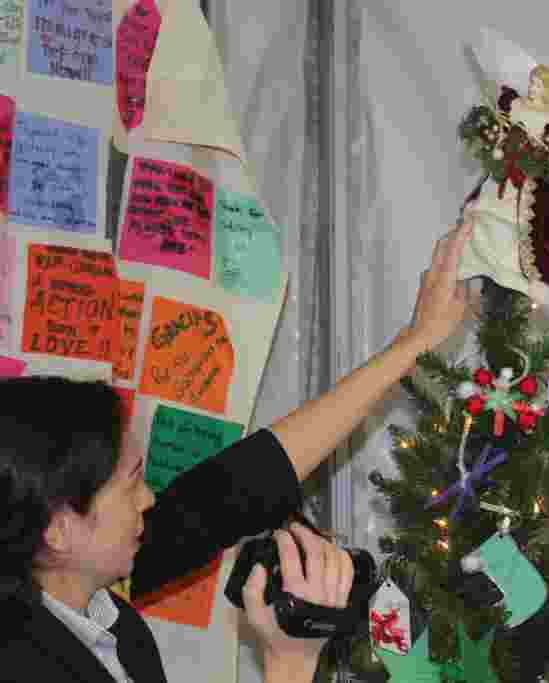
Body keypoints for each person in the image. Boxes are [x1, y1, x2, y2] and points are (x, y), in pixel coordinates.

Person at [0, 219, 474, 683]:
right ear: (59, 528)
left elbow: (230, 491)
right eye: (129, 484)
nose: (148, 500)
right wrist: (290, 661)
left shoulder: (108, 621)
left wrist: (414, 344)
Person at [458, 64, 549, 301]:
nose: (532, 88)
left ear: (547, 90)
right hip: (505, 173)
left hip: (530, 182)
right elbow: (503, 123)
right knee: (487, 217)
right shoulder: (517, 106)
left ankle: (514, 277)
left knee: (527, 228)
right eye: (531, 83)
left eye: (538, 85)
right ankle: (478, 263)